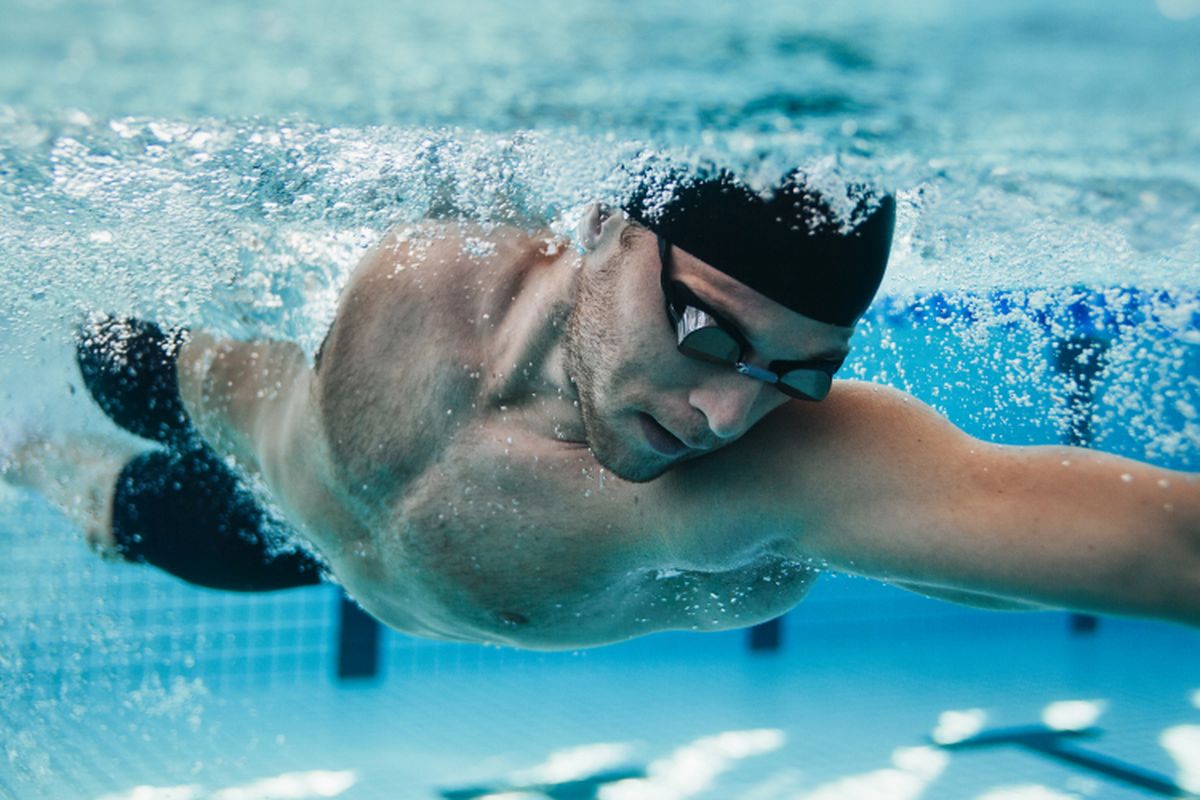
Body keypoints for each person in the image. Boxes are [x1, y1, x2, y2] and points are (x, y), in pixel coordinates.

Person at [4, 167, 1198, 650]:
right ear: (595, 229)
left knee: (104, 503)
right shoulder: (438, 243)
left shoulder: (766, 481)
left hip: (304, 551)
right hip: (218, 396)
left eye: (795, 371)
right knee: (92, 348)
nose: (732, 408)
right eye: (704, 329)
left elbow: (1168, 542)